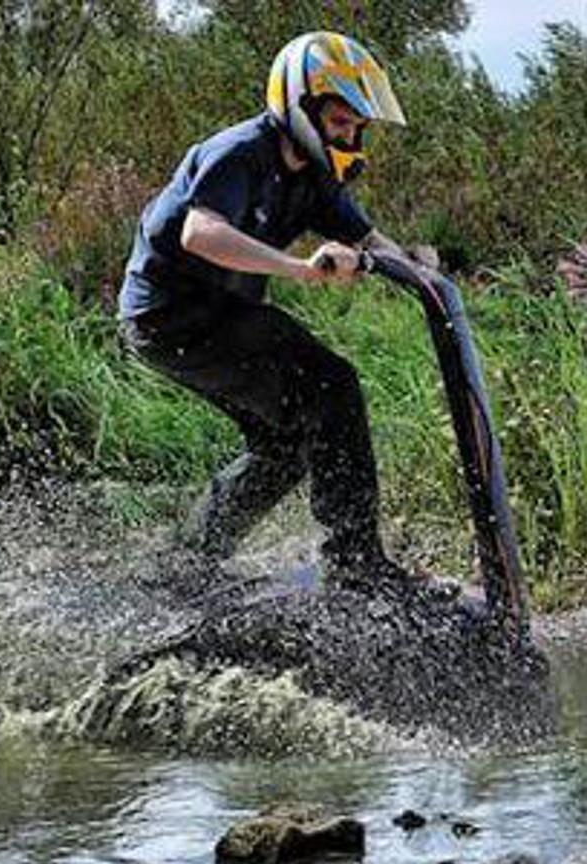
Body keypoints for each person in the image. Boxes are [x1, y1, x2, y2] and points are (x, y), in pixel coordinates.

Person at [118, 31, 438, 592]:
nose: (349, 138)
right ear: (299, 107)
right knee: (332, 386)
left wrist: (416, 267)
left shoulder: (314, 177)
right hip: (172, 316)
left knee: (285, 444)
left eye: (356, 128)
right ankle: (357, 567)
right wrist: (298, 268)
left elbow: (368, 239)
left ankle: (187, 564)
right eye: (339, 123)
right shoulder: (241, 153)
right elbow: (200, 233)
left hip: (217, 314)